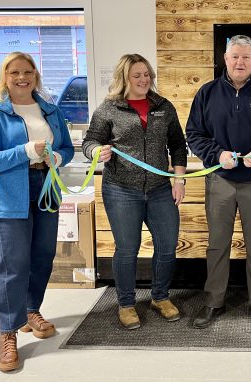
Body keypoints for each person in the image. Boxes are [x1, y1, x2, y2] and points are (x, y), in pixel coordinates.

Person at [186, 35, 251, 330]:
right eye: (235, 56)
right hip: (220, 180)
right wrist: (216, 155)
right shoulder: (207, 93)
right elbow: (194, 134)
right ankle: (213, 301)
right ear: (225, 59)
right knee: (217, 244)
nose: (240, 62)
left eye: (246, 57)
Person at [0, 52, 74, 372]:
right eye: (14, 72)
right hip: (8, 195)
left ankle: (31, 310)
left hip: (46, 188)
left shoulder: (50, 109)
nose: (22, 78)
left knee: (42, 256)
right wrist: (24, 151)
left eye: (27, 72)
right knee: (12, 264)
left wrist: (56, 158)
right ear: (4, 77)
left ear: (35, 75)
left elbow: (66, 148)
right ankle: (8, 332)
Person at [82, 54, 187, 330]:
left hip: (160, 189)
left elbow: (178, 144)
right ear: (124, 78)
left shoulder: (163, 106)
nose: (144, 80)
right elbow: (90, 141)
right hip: (121, 189)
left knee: (167, 246)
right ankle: (126, 304)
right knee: (127, 249)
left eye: (146, 74)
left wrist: (179, 181)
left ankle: (160, 297)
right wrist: (96, 151)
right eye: (137, 75)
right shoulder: (108, 108)